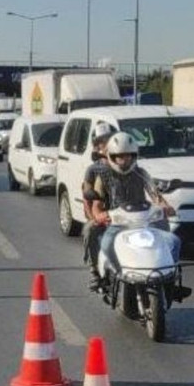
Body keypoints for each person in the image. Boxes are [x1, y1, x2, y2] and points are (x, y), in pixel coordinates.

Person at [90, 131, 178, 268]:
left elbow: (155, 195)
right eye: (120, 157)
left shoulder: (141, 173)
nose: (125, 160)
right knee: (106, 244)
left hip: (145, 221)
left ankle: (168, 276)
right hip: (117, 223)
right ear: (112, 157)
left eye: (129, 156)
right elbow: (96, 204)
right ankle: (113, 271)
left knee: (173, 241)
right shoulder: (103, 177)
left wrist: (166, 207)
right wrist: (98, 215)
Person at [83, 122, 116, 290]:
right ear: (97, 146)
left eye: (110, 139)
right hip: (102, 215)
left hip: (126, 215)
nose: (106, 143)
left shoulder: (128, 164)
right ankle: (95, 270)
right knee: (90, 230)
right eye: (102, 141)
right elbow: (88, 199)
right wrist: (94, 218)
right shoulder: (93, 170)